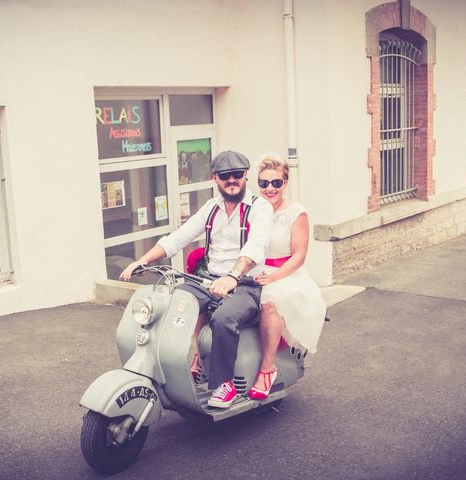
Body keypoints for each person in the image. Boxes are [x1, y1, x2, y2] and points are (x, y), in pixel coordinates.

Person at [120, 150, 273, 408]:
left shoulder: (260, 208)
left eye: (237, 174)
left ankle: (224, 385)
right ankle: (170, 365)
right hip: (209, 281)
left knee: (224, 319)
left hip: (245, 285)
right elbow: (178, 238)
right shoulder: (211, 208)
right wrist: (142, 260)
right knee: (170, 304)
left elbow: (255, 247)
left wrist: (233, 276)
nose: (232, 180)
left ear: (246, 175)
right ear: (215, 178)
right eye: (226, 176)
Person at [248, 154, 326, 400]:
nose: (269, 188)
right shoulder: (252, 209)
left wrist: (273, 278)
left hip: (286, 275)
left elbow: (299, 256)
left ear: (285, 183)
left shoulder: (296, 213)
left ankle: (267, 369)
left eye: (276, 183)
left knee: (269, 305)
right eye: (263, 183)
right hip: (255, 271)